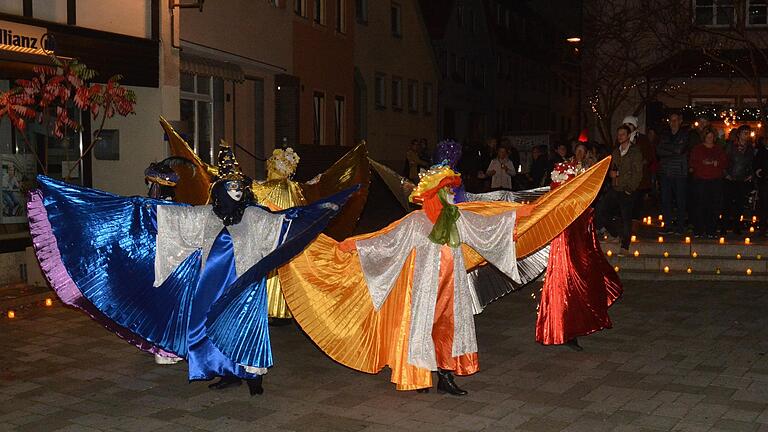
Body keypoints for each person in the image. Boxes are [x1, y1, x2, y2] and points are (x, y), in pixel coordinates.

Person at [28, 141, 355, 397]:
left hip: (242, 284)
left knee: (239, 326)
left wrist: (320, 209)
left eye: (241, 187)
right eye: (232, 187)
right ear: (220, 191)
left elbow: (283, 223)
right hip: (211, 281)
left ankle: (245, 371)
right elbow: (174, 220)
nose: (238, 191)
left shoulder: (254, 216)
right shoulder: (206, 216)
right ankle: (222, 371)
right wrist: (143, 208)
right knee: (208, 324)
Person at [272, 159, 610, 394]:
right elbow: (384, 241)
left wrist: (525, 213)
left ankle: (447, 377)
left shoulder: (458, 219)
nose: (452, 196)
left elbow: (490, 226)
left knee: (450, 330)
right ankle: (420, 375)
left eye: (452, 191)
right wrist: (351, 246)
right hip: (423, 289)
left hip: (453, 288)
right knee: (422, 330)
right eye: (446, 191)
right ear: (433, 195)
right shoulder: (416, 223)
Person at [537, 161, 622, 351]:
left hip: (579, 251)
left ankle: (577, 325)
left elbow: (587, 231)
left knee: (584, 283)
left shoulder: (580, 207)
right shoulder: (560, 207)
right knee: (567, 288)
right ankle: (566, 330)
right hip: (564, 255)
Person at [596, 125, 643, 255]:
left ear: (628, 136)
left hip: (627, 189)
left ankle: (625, 245)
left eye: (622, 134)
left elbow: (638, 173)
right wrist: (611, 174)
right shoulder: (616, 151)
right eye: (619, 134)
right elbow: (612, 169)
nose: (620, 136)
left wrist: (630, 188)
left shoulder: (635, 152)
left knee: (626, 218)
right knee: (602, 211)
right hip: (615, 187)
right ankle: (615, 233)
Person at [689, 127, 727, 238]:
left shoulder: (718, 149)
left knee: (713, 206)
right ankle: (699, 229)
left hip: (715, 181)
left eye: (711, 137)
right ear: (704, 137)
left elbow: (724, 162)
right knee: (700, 205)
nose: (709, 139)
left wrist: (717, 162)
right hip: (701, 181)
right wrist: (702, 164)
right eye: (707, 136)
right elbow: (692, 163)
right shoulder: (697, 149)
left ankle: (711, 230)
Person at [657, 112, 691, 235]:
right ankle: (668, 226)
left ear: (680, 121)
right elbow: (659, 150)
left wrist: (668, 149)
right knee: (666, 200)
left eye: (676, 120)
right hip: (666, 172)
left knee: (680, 200)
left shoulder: (685, 134)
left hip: (680, 172)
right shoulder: (664, 135)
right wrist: (674, 150)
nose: (673, 122)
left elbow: (680, 149)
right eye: (671, 120)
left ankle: (680, 227)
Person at [723, 125, 754, 235]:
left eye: (748, 132)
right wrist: (725, 174)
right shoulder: (731, 146)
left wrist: (751, 174)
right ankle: (724, 227)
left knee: (740, 204)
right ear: (739, 134)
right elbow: (724, 160)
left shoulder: (750, 148)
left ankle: (737, 226)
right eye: (744, 132)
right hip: (730, 178)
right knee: (727, 203)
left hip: (742, 179)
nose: (746, 135)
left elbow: (751, 163)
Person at [755, 136, 768, 236]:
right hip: (765, 181)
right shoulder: (762, 151)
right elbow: (757, 165)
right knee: (764, 205)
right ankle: (763, 228)